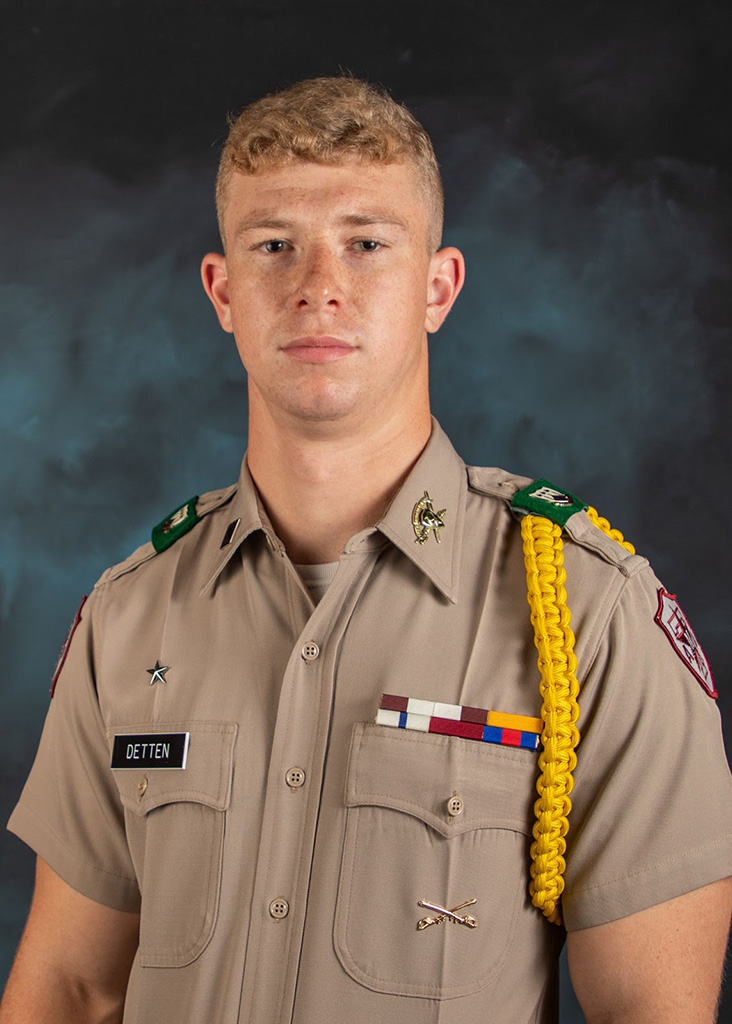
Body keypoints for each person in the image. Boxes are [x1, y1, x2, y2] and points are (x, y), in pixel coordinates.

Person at [1, 76, 731, 1024]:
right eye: (275, 246)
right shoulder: (130, 613)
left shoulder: (590, 615)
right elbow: (69, 989)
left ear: (439, 287)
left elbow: (653, 1011)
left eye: (367, 242)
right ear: (223, 293)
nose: (318, 285)